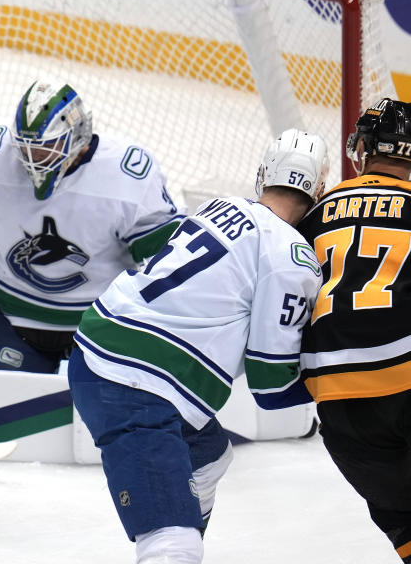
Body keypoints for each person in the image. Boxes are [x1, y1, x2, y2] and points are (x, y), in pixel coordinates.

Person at [69, 128, 329, 564]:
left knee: (208, 459)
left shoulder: (220, 205)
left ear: (263, 174)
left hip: (102, 343)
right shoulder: (292, 256)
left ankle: (177, 525)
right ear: (318, 191)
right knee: (174, 543)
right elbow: (269, 384)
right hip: (135, 384)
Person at [0, 78, 184, 373]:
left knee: (108, 417)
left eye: (46, 148)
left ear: (79, 135)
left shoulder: (127, 175)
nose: (33, 159)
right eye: (26, 147)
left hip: (103, 324)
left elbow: (168, 260)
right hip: (13, 319)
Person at [297, 98, 411, 563]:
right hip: (405, 378)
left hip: (340, 405)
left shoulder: (315, 213)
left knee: (400, 517)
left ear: (362, 149)